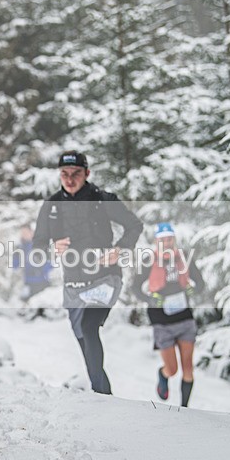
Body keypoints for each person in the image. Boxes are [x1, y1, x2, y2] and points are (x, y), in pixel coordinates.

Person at [32, 151, 142, 394]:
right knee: (83, 337)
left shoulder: (102, 200)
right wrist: (51, 248)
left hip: (106, 276)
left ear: (87, 173)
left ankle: (100, 397)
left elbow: (135, 224)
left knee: (90, 326)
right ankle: (105, 394)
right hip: (74, 283)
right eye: (64, 174)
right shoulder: (51, 206)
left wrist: (120, 248)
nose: (70, 179)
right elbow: (37, 246)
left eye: (76, 174)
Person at [131, 222, 203, 407]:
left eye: (170, 239)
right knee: (172, 369)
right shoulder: (149, 261)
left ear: (174, 239)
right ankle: (162, 375)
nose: (167, 242)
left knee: (188, 369)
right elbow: (135, 287)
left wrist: (192, 290)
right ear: (157, 241)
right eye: (163, 240)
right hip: (161, 321)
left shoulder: (184, 257)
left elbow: (200, 283)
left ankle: (184, 409)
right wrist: (151, 299)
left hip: (184, 317)